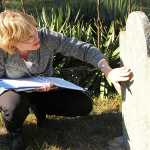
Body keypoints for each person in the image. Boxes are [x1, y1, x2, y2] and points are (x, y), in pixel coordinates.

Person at [0, 9, 132, 150]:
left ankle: (40, 110)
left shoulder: (46, 38)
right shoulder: (2, 52)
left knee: (83, 105)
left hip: (45, 89)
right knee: (13, 106)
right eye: (29, 38)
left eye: (35, 32)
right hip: (14, 93)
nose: (37, 38)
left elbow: (84, 49)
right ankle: (15, 134)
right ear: (12, 42)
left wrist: (108, 71)